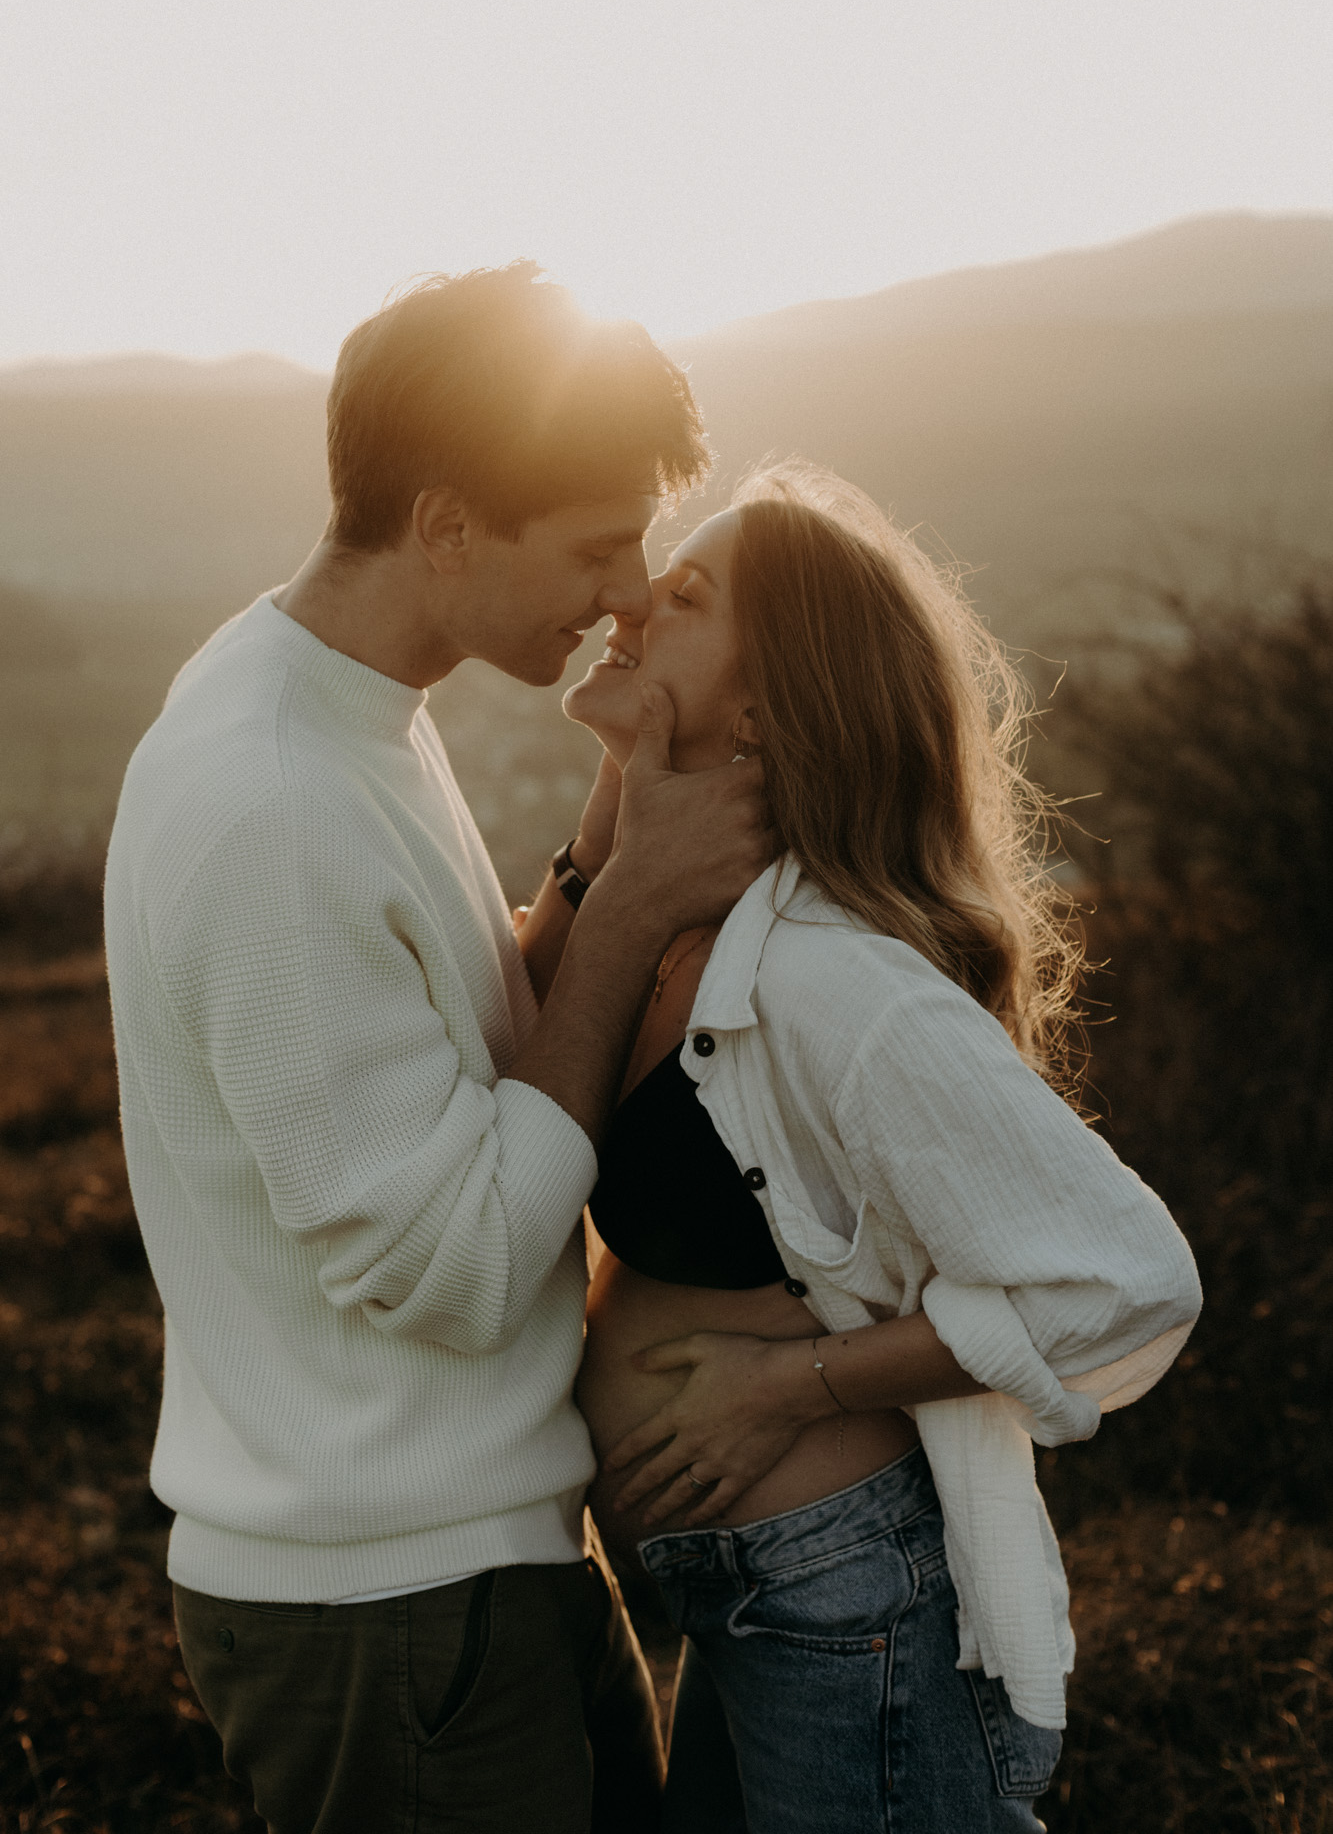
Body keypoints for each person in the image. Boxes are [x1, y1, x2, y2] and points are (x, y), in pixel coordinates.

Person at [102, 263, 772, 1834]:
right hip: (388, 1610)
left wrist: (600, 866)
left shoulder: (346, 709)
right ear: (450, 526)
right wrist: (630, 923)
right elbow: (455, 1266)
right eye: (597, 546)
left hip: (476, 1557)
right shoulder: (271, 800)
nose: (626, 594)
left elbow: (467, 1075)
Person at [562, 463, 1203, 1834]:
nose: (627, 609)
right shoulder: (672, 928)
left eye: (681, 599)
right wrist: (614, 812)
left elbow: (1130, 1278)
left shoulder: (829, 975)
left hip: (838, 1595)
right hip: (745, 1593)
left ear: (765, 705)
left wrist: (789, 1387)